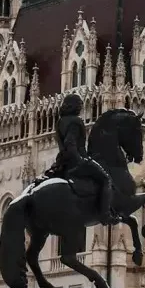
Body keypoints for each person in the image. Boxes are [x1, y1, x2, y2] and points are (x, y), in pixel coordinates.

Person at [44, 93, 120, 224]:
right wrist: (81, 160)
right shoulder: (76, 121)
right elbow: (70, 143)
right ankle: (105, 215)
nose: (81, 107)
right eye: (79, 105)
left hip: (62, 161)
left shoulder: (60, 122)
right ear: (74, 107)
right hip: (76, 161)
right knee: (105, 179)